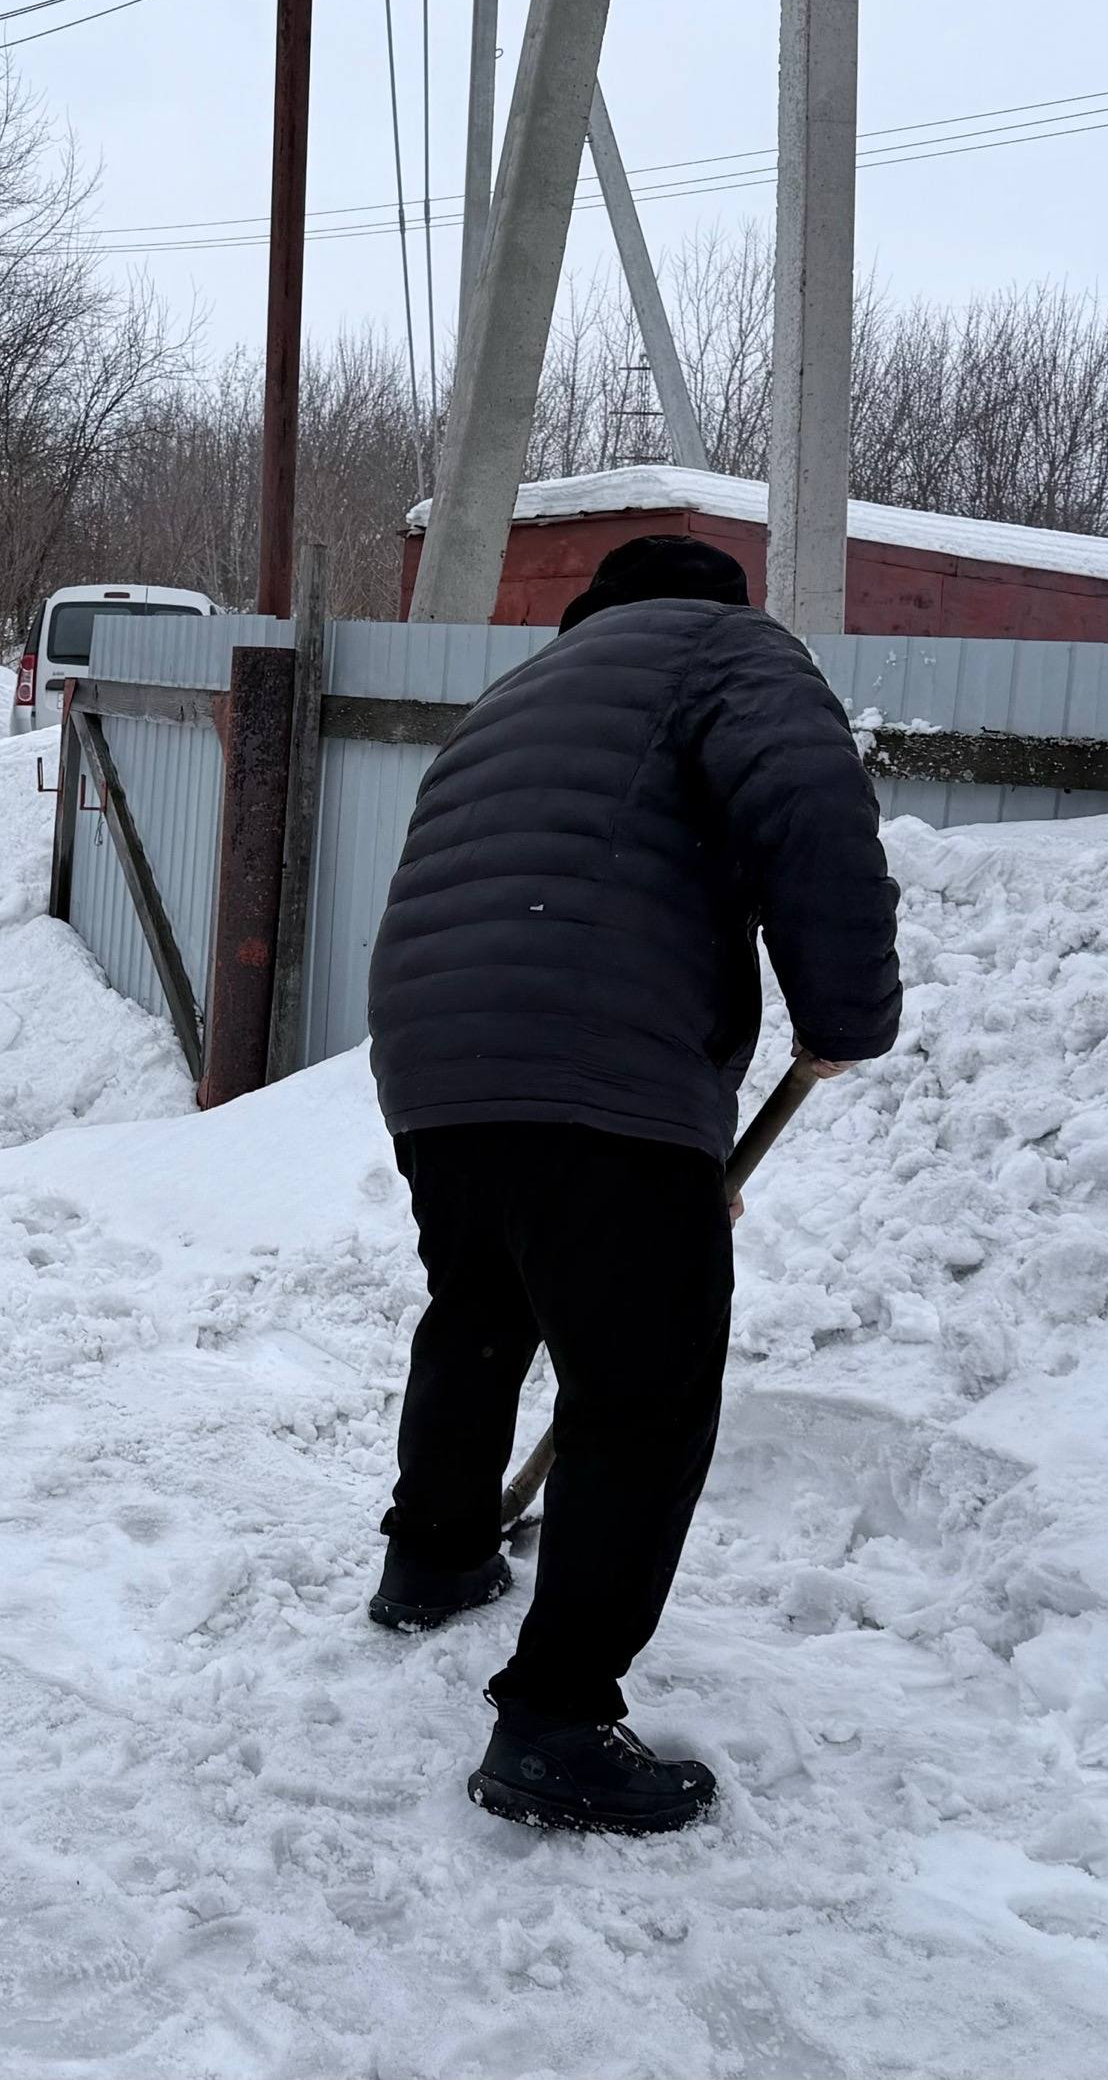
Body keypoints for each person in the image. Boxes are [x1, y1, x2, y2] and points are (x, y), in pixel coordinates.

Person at [362, 534, 900, 1836]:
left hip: (441, 1064)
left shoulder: (521, 693)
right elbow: (812, 808)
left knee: (480, 1307)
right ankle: (554, 1718)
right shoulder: (728, 649)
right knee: (642, 1394)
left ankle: (433, 1555)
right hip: (597, 1053)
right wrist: (844, 1014)